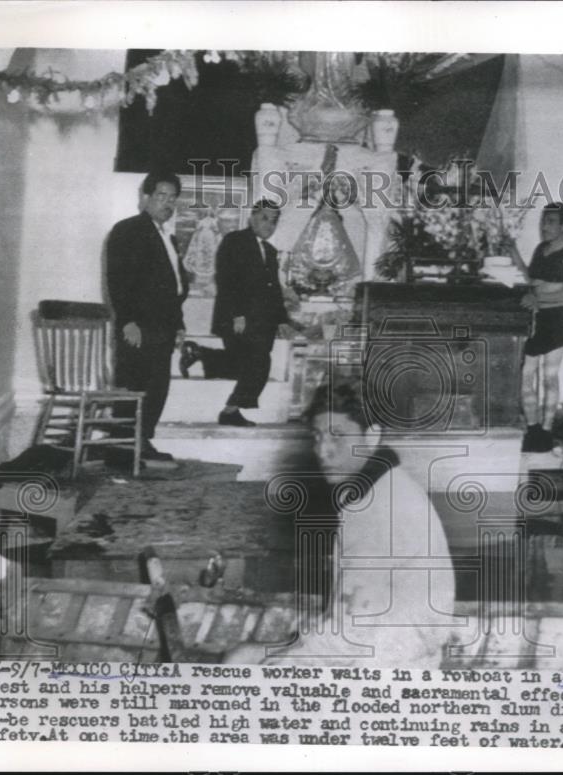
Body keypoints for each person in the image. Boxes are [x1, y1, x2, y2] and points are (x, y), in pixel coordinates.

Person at [224, 382, 458, 666]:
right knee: (244, 656)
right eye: (318, 436)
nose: (323, 451)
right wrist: (292, 645)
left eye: (338, 437)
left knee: (243, 665)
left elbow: (352, 634)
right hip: (396, 642)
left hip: (390, 661)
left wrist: (283, 658)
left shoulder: (374, 508)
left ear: (372, 437)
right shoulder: (384, 486)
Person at [105, 171, 188, 463]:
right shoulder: (127, 230)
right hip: (139, 327)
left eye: (173, 198)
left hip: (163, 329)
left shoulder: (166, 236)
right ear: (146, 197)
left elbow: (174, 286)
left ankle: (140, 442)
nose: (168, 203)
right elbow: (118, 279)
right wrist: (127, 321)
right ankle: (120, 448)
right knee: (133, 388)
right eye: (161, 196)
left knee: (156, 389)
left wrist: (178, 325)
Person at [195, 199, 296, 426]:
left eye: (274, 221)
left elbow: (273, 290)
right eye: (264, 218)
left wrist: (282, 320)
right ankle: (230, 411)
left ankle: (201, 355)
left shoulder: (269, 251)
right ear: (252, 217)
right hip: (238, 319)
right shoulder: (235, 241)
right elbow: (227, 280)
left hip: (263, 322)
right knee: (258, 363)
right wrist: (237, 314)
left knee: (245, 362)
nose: (269, 225)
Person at [510, 202, 563, 453]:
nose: (545, 226)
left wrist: (537, 294)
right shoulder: (541, 249)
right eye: (544, 221)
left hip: (556, 319)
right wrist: (512, 251)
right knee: (526, 375)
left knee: (550, 376)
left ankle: (547, 430)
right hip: (536, 318)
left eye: (552, 222)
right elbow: (529, 280)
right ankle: (532, 429)